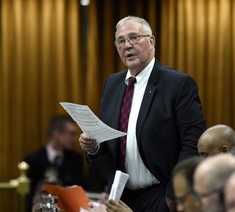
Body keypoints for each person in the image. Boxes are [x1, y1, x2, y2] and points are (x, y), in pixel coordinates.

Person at [79, 16, 206, 212]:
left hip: (161, 195)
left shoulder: (177, 84)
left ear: (151, 41)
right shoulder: (112, 84)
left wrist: (172, 197)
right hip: (120, 197)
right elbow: (110, 140)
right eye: (121, 41)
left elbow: (192, 144)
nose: (127, 45)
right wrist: (94, 146)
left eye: (134, 38)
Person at [25, 115, 85, 210]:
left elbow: (79, 190)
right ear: (56, 134)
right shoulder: (33, 159)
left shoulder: (76, 159)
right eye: (71, 134)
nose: (75, 139)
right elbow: (28, 195)